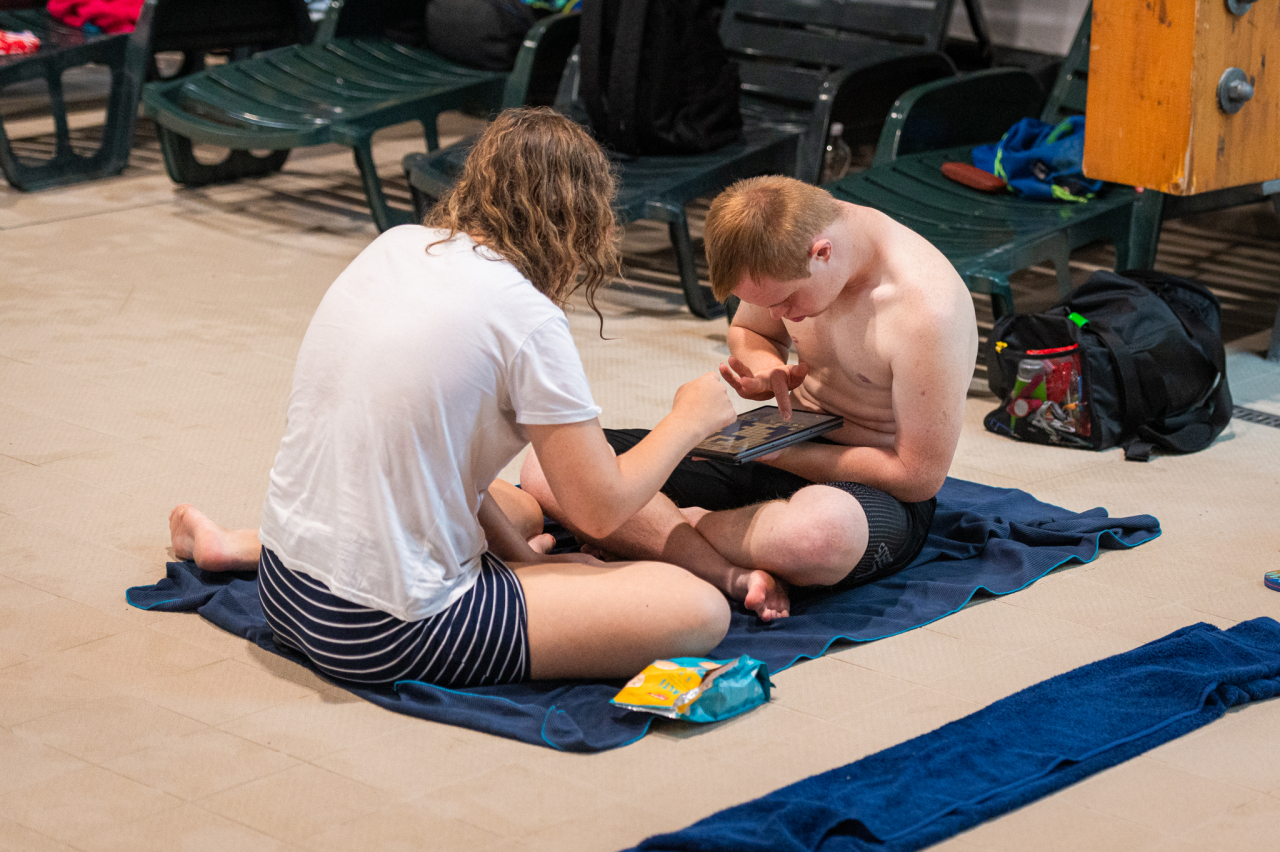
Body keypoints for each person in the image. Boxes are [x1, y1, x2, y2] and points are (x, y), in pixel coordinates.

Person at [167, 107, 743, 687]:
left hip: (284, 588)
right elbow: (598, 508)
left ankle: (245, 546)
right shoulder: (527, 317)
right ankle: (498, 593)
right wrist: (688, 421)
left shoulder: (396, 244)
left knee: (521, 506)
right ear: (583, 222)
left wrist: (524, 558)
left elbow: (448, 465)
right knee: (697, 609)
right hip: (377, 629)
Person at [521, 175, 978, 620]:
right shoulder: (783, 247)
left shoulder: (925, 311)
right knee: (547, 465)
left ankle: (664, 529)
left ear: (822, 253)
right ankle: (714, 556)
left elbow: (917, 477)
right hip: (778, 437)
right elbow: (750, 330)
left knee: (819, 537)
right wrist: (764, 364)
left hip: (871, 481)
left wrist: (785, 456)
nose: (778, 314)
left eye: (786, 301)